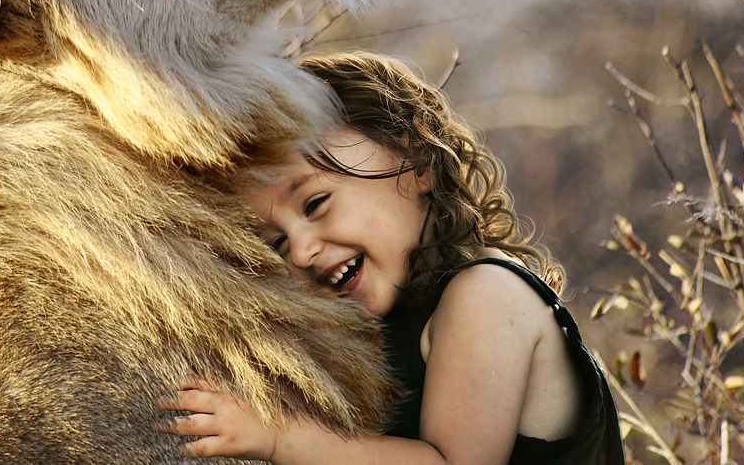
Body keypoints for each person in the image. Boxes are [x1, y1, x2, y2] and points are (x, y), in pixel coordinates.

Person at [158, 51, 624, 464]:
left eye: (316, 204)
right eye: (276, 243)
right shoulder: (390, 326)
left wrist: (279, 438)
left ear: (415, 158)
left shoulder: (486, 294)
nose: (300, 251)